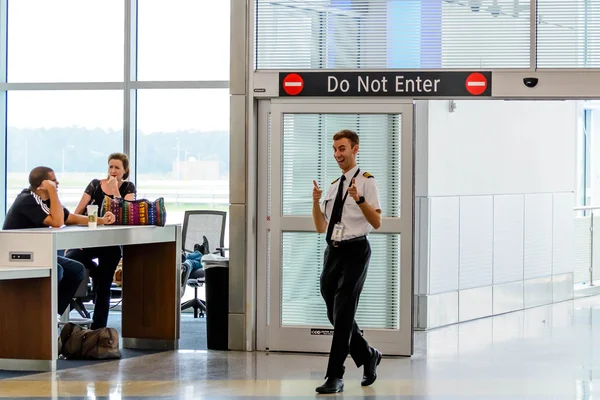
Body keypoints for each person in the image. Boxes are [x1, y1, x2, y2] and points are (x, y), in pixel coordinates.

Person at [311, 129, 383, 394]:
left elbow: (376, 221)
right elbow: (321, 227)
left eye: (342, 148)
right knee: (334, 310)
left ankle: (335, 376)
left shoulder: (366, 182)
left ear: (355, 149)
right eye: (335, 149)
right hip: (333, 252)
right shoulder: (333, 186)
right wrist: (315, 202)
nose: (337, 154)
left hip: (355, 251)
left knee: (342, 315)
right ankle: (367, 353)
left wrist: (359, 199)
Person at [2, 166, 116, 319]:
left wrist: (101, 220)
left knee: (76, 270)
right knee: (58, 270)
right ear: (43, 184)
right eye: (54, 181)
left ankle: (53, 316)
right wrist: (53, 191)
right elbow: (58, 221)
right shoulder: (28, 199)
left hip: (35, 255)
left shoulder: (46, 201)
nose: (58, 183)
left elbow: (69, 218)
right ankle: (41, 317)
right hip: (17, 256)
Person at [65, 152, 136, 329]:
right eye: (110, 166)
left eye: (117, 168)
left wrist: (114, 191)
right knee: (72, 256)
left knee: (104, 286)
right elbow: (78, 211)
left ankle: (98, 329)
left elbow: (125, 214)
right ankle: (95, 272)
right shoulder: (95, 184)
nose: (113, 171)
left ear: (124, 170)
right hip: (89, 241)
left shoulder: (128, 188)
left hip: (110, 244)